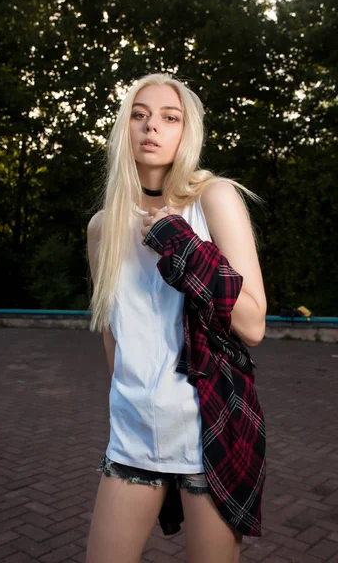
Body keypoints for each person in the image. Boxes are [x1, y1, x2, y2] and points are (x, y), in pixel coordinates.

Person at [86, 73, 267, 563]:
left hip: (207, 429)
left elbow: (253, 324)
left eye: (170, 117)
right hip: (133, 435)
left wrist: (177, 239)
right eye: (139, 115)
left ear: (188, 133)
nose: (152, 127)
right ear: (124, 128)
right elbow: (113, 334)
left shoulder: (214, 198)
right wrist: (129, 402)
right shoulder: (102, 227)